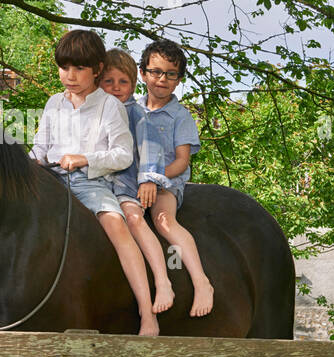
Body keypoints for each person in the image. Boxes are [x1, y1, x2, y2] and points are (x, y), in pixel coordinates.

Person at [29, 29, 161, 336]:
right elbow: (40, 147)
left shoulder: (109, 106)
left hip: (91, 183)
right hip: (50, 180)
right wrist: (27, 162)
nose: (70, 76)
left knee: (117, 226)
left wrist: (85, 158)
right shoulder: (53, 104)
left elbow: (123, 155)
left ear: (97, 69)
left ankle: (147, 313)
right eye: (65, 68)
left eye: (79, 69)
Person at [137, 39, 213, 316]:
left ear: (179, 80)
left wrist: (153, 177)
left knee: (164, 221)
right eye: (155, 71)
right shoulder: (130, 111)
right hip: (130, 183)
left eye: (170, 74)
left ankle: (201, 282)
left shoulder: (180, 116)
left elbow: (181, 162)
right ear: (142, 73)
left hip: (165, 183)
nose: (162, 79)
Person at [99, 49, 175, 315]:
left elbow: (151, 148)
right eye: (109, 81)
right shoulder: (95, 112)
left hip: (126, 184)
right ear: (98, 83)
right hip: (98, 186)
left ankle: (163, 280)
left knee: (133, 219)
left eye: (123, 82)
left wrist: (148, 180)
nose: (116, 88)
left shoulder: (137, 115)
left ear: (133, 84)